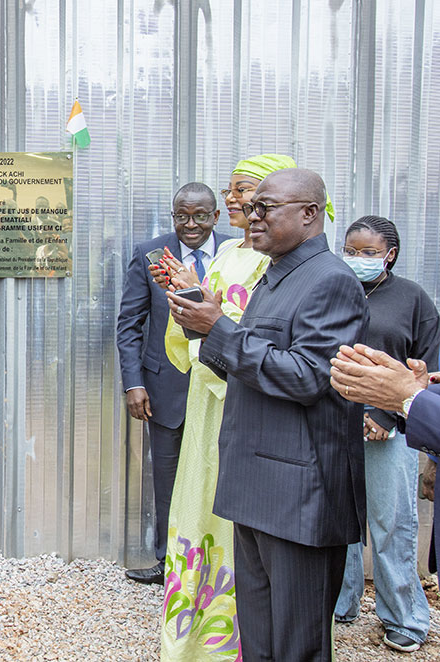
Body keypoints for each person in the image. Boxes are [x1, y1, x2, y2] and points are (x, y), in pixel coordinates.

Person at [169, 168, 368, 661]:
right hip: (255, 486)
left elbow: (308, 377)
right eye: (250, 205)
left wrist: (220, 328)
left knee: (297, 646)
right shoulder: (275, 275)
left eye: (265, 207)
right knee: (258, 643)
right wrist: (203, 325)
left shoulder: (331, 280)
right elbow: (253, 365)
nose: (250, 214)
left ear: (309, 214)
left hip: (299, 496)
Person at [152, 154, 296, 659]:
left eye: (245, 189)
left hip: (247, 403)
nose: (234, 199)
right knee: (198, 512)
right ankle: (193, 640)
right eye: (231, 189)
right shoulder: (228, 253)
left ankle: (238, 642)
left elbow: (256, 339)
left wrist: (208, 319)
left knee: (237, 526)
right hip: (206, 403)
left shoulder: (280, 263)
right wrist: (186, 293)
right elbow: (201, 327)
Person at [329, 216, 437, 653]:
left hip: (391, 429)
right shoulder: (333, 289)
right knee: (337, 518)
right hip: (334, 422)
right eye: (351, 250)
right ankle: (341, 602)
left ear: (389, 254)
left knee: (392, 523)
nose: (357, 258)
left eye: (369, 252)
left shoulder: (412, 298)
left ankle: (404, 618)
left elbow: (428, 369)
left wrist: (387, 416)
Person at [116, 182, 228, 583]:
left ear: (216, 216)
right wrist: (134, 383)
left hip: (221, 388)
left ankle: (218, 568)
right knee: (168, 481)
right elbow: (130, 325)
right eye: (182, 216)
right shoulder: (150, 253)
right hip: (166, 391)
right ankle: (169, 565)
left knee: (219, 480)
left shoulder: (236, 254)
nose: (190, 224)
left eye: (200, 216)